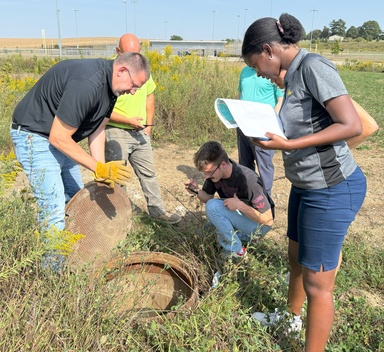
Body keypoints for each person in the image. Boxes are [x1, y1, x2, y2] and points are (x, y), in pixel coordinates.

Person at [242, 14, 366, 351]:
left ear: (269, 50)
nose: (258, 72)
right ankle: (291, 319)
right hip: (305, 186)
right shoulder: (293, 75)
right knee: (295, 260)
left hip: (331, 188)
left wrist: (287, 145)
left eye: (257, 64)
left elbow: (352, 124)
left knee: (317, 284)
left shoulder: (313, 66)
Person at [11, 52, 150, 270]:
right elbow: (57, 136)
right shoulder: (88, 83)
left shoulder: (111, 88)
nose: (133, 92)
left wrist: (100, 171)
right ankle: (53, 276)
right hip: (35, 136)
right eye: (134, 85)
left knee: (77, 202)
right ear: (122, 71)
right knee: (54, 209)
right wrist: (98, 167)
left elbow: (98, 128)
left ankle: (75, 261)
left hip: (63, 140)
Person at [105, 33, 181, 224]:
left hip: (140, 132)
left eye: (137, 54)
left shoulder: (141, 70)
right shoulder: (110, 72)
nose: (134, 59)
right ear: (118, 52)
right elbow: (101, 111)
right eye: (129, 54)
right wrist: (126, 120)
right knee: (117, 179)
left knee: (148, 174)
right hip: (115, 132)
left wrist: (149, 126)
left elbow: (150, 96)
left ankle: (158, 213)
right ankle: (121, 219)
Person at [184, 141, 273, 258]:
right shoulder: (215, 174)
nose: (206, 177)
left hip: (258, 225)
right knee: (204, 232)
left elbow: (268, 221)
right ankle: (241, 236)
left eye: (209, 173)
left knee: (213, 207)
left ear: (223, 165)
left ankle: (237, 251)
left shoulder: (248, 180)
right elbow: (208, 197)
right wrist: (196, 190)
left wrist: (240, 205)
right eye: (204, 173)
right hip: (240, 215)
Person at [237, 65, 284, 196]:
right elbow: (240, 95)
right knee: (245, 164)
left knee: (264, 166)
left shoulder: (271, 70)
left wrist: (271, 122)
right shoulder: (245, 71)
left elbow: (280, 99)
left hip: (264, 129)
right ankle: (249, 195)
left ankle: (266, 199)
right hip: (243, 126)